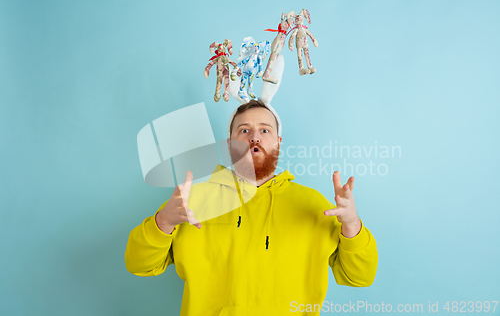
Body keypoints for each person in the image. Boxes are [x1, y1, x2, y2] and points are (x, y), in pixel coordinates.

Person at [124, 99, 378, 316]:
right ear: (229, 144)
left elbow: (360, 277)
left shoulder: (314, 205)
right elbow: (139, 265)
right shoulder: (190, 201)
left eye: (265, 130)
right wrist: (164, 222)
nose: (255, 136)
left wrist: (352, 225)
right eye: (244, 130)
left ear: (278, 142)